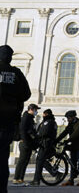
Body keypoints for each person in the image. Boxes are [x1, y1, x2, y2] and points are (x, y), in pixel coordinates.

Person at [1, 44, 32, 193]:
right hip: (7, 120)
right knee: (2, 157)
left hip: (6, 120)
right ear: (10, 57)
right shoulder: (16, 72)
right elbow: (26, 94)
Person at [57, 110, 79, 186]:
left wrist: (67, 140)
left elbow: (76, 134)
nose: (68, 120)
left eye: (69, 118)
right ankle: (71, 180)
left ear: (73, 117)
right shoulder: (70, 123)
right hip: (73, 146)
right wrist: (56, 140)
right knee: (72, 163)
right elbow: (65, 132)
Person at [13, 103, 39, 184]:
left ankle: (21, 178)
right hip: (24, 142)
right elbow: (23, 130)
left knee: (26, 161)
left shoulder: (30, 118)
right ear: (31, 109)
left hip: (28, 143)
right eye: (35, 110)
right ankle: (16, 178)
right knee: (22, 160)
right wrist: (25, 141)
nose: (36, 112)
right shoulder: (26, 117)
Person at [31, 108, 58, 186]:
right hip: (45, 143)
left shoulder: (48, 122)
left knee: (40, 161)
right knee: (40, 161)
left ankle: (36, 180)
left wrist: (36, 136)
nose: (42, 115)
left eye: (44, 114)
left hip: (46, 144)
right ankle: (55, 173)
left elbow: (43, 132)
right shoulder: (50, 122)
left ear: (46, 114)